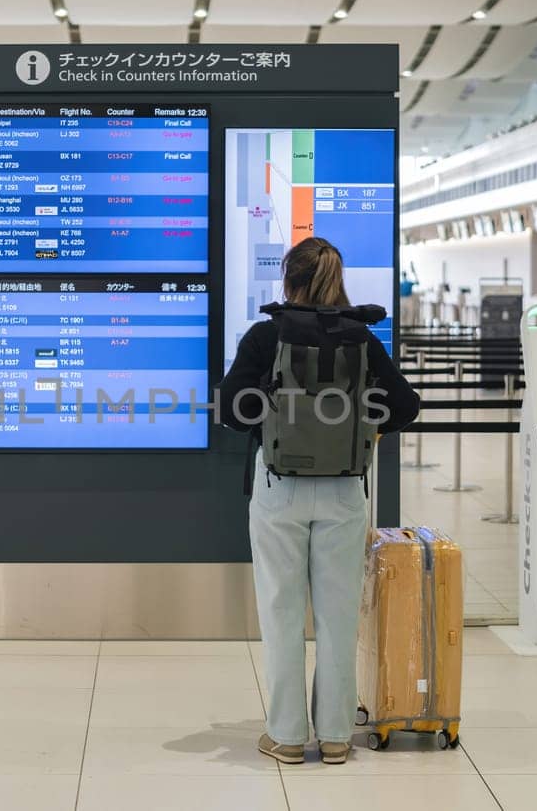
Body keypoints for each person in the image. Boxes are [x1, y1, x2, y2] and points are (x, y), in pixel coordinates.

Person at [218, 236, 420, 765]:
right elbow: (405, 406)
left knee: (281, 613)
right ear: (337, 279)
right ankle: (334, 735)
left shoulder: (266, 336)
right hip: (343, 492)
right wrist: (365, 430)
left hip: (278, 488)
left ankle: (285, 735)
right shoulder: (362, 339)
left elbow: (232, 411)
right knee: (337, 616)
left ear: (288, 281)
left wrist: (274, 413)